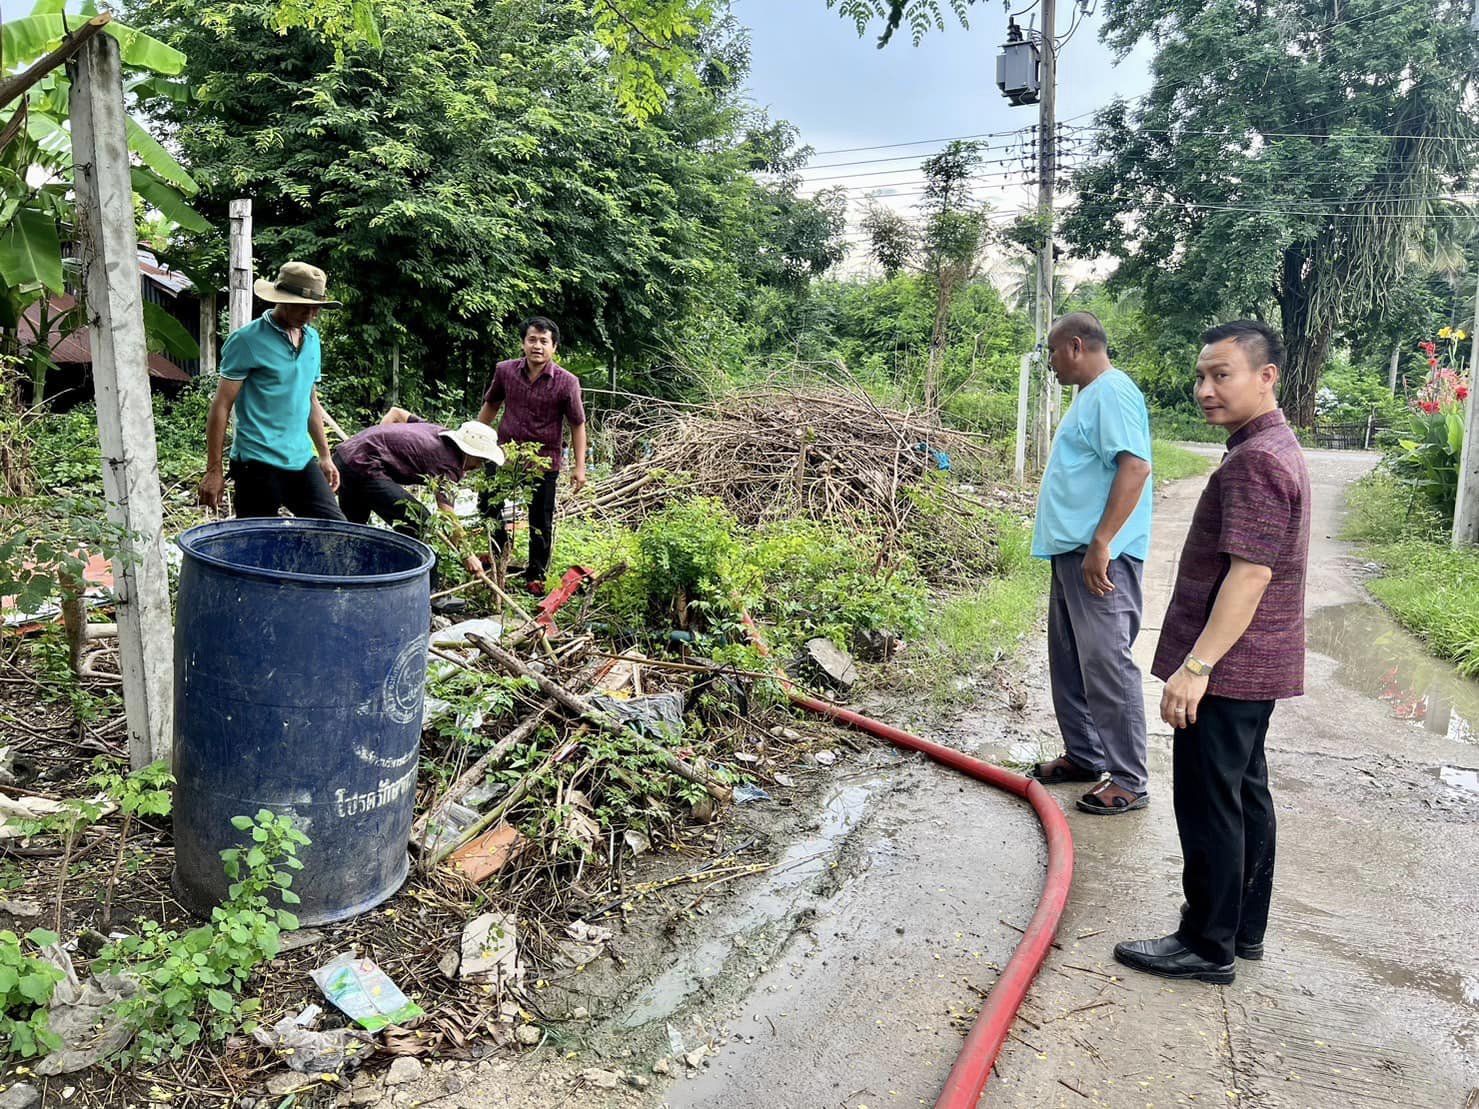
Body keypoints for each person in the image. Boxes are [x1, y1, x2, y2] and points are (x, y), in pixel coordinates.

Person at [1114, 320, 1309, 985]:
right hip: (1255, 664)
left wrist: (1195, 666)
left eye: (1220, 374)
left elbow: (1249, 572)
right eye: (1200, 375)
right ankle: (1240, 929)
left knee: (1208, 802)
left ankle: (1205, 943)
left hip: (1229, 667)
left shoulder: (1256, 459)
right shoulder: (1269, 444)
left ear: (1265, 376)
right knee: (1243, 793)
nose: (1204, 388)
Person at [1028, 312, 1155, 815]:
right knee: (1070, 661)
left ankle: (1129, 779)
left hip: (1100, 557)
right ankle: (1085, 755)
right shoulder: (1090, 396)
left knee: (1105, 662)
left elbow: (1136, 466)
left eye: (1054, 353)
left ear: (1075, 346)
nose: (1052, 364)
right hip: (1071, 554)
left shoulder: (1113, 392)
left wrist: (1102, 541)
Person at [198, 261, 346, 519]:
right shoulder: (247, 341)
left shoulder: (312, 340)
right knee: (256, 547)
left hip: (301, 459)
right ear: (282, 300)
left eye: (316, 309)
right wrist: (214, 469)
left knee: (335, 531)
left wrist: (324, 454)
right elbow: (222, 405)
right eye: (304, 308)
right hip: (256, 463)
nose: (311, 315)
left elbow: (310, 401)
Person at [477, 316, 587, 595]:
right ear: (523, 343)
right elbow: (492, 404)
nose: (537, 346)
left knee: (540, 519)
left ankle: (536, 574)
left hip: (543, 461)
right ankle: (498, 552)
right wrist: (475, 441)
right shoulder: (505, 371)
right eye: (532, 339)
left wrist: (580, 467)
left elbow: (577, 424)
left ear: (554, 347)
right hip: (504, 454)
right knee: (489, 504)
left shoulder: (567, 383)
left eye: (544, 341)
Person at [332, 411, 505, 566]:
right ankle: (427, 587)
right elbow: (448, 516)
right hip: (364, 466)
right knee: (420, 523)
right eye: (480, 460)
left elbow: (396, 414)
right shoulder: (448, 463)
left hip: (346, 456)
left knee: (351, 531)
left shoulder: (436, 431)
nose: (479, 466)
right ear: (468, 452)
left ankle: (343, 574)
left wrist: (378, 443)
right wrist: (468, 555)